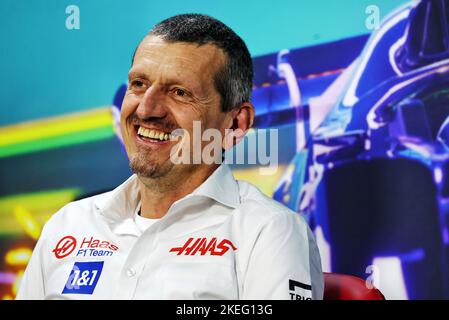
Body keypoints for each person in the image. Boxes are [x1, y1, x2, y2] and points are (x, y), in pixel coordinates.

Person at [16, 14, 323, 300]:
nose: (147, 109)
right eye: (139, 84)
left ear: (235, 124)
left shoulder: (268, 232)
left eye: (179, 92)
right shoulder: (68, 225)